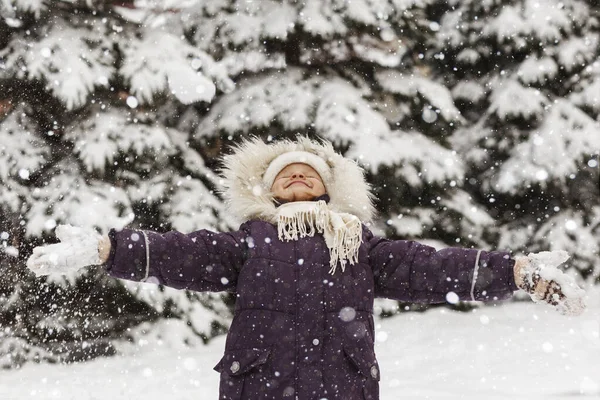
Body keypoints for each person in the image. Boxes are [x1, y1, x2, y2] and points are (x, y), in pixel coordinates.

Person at [27, 136, 586, 400]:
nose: (297, 178)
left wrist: (515, 271)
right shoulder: (246, 243)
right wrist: (108, 249)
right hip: (258, 385)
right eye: (285, 175)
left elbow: (431, 267)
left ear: (329, 187)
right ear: (266, 191)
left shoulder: (358, 244)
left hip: (342, 384)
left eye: (308, 174)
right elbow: (183, 253)